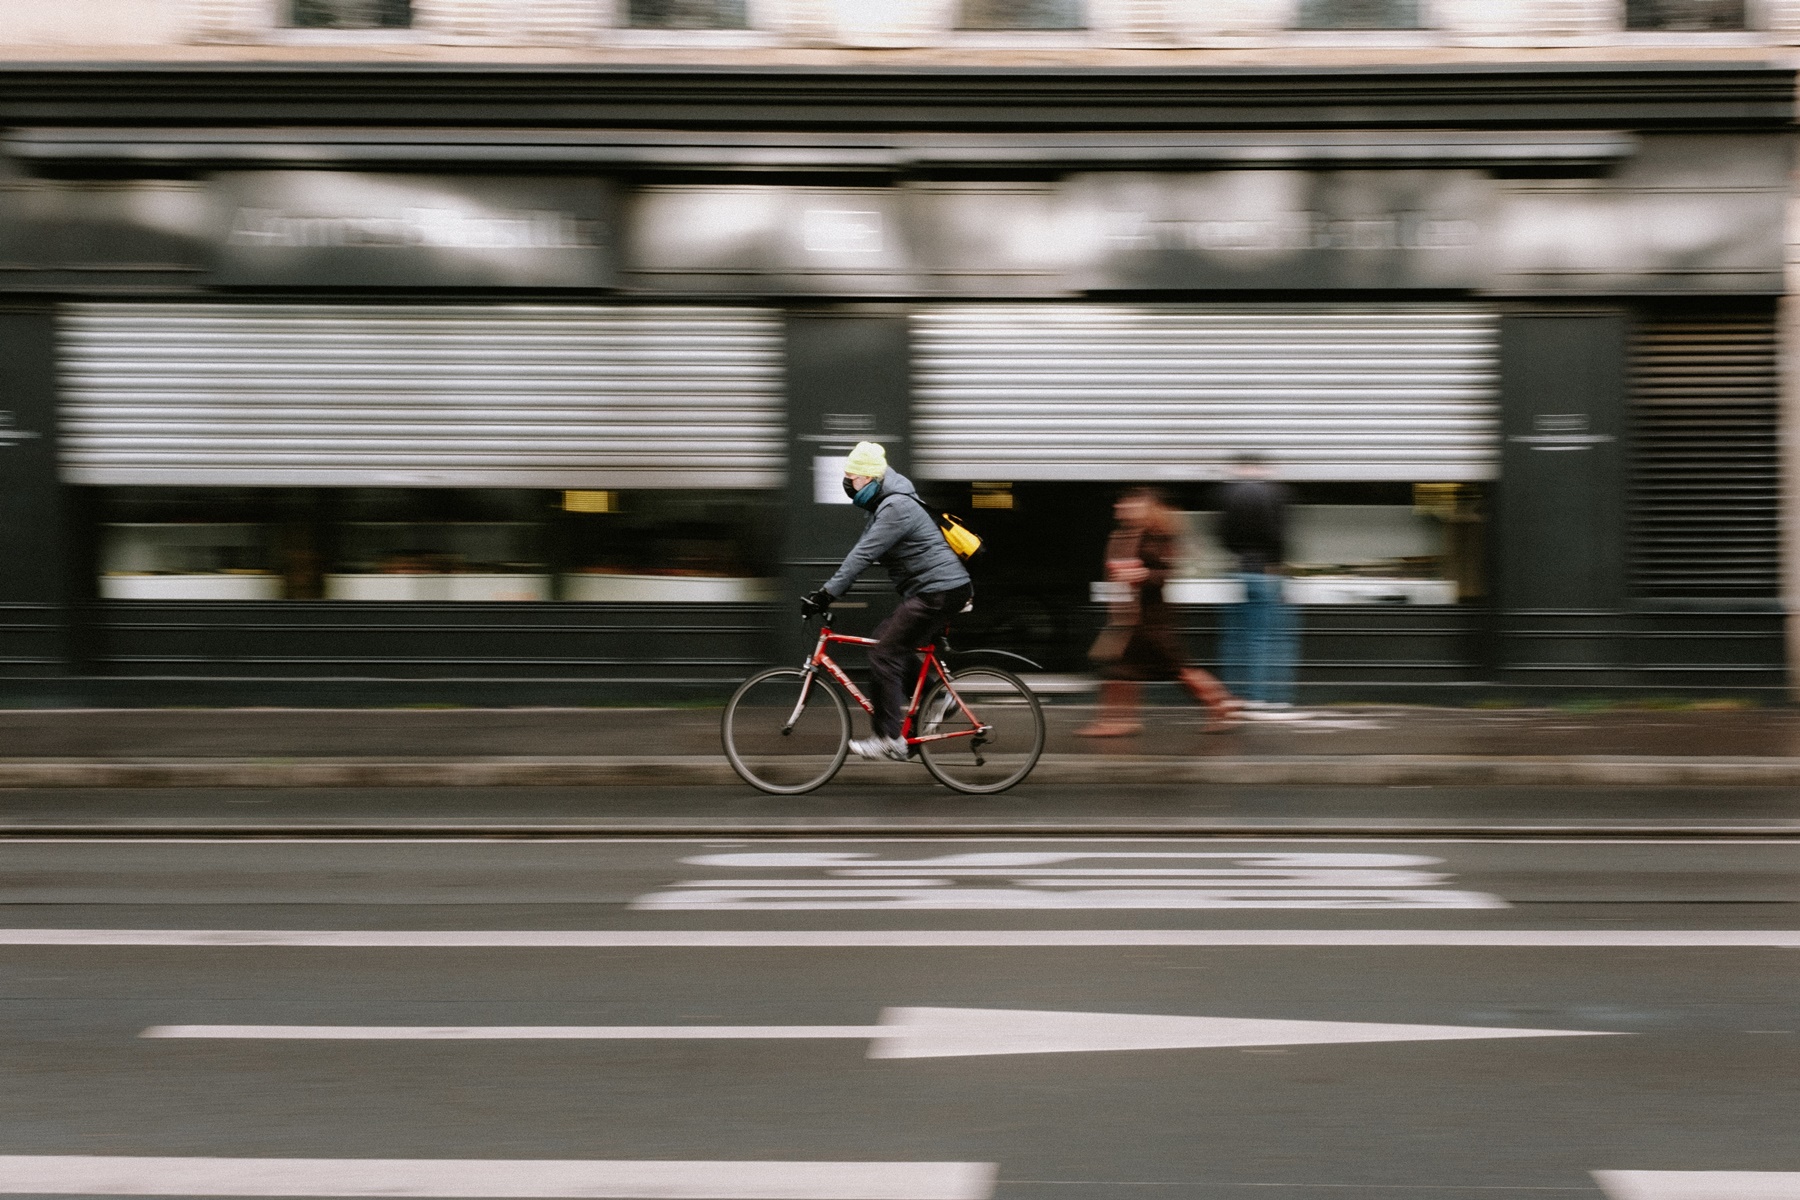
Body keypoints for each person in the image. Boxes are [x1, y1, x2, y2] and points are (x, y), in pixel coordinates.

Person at [801, 441, 972, 762]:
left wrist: (826, 594)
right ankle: (940, 697)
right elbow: (863, 551)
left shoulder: (895, 507)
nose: (847, 484)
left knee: (883, 655)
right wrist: (832, 590)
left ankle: (888, 737)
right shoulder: (886, 503)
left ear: (867, 479)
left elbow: (862, 555)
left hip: (938, 591)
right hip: (938, 589)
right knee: (886, 641)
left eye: (851, 478)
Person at [1079, 487, 1239, 737]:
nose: (1119, 508)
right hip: (1130, 618)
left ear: (1144, 507)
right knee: (1119, 671)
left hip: (1153, 620)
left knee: (1180, 670)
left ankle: (1223, 706)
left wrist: (1141, 574)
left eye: (1128, 504)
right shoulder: (1128, 534)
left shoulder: (1158, 535)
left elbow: (1165, 574)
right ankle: (1117, 721)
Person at [1216, 453, 1298, 710]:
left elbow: (1221, 534)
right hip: (1266, 571)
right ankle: (1262, 696)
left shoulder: (1226, 494)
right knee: (1267, 638)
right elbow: (1279, 534)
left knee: (1235, 637)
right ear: (1262, 468)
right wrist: (1278, 565)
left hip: (1239, 570)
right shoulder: (1275, 493)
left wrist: (1237, 555)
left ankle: (1233, 694)